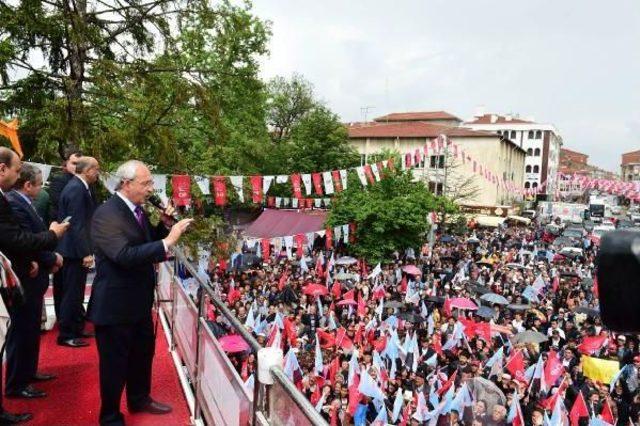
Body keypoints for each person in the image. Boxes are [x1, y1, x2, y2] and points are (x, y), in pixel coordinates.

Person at [87, 160, 193, 426]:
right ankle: (110, 416)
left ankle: (139, 398)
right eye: (145, 183)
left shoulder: (138, 211)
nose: (150, 189)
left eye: (150, 183)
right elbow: (123, 255)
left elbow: (146, 243)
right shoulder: (106, 214)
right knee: (114, 365)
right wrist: (168, 242)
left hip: (139, 301)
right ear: (126, 183)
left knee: (142, 354)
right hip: (115, 306)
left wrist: (165, 225)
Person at [0, 147, 69, 424]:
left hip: (20, 270)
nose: (18, 176)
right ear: (2, 168)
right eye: (17, 170)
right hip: (14, 278)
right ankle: (15, 385)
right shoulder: (8, 201)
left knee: (25, 331)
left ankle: (22, 379)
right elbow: (16, 239)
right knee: (17, 333)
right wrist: (52, 236)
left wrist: (25, 259)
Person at [56, 157, 100, 347]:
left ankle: (76, 327)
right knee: (72, 294)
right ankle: (66, 334)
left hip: (75, 249)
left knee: (77, 292)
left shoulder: (82, 187)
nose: (98, 173)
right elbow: (77, 224)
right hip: (73, 250)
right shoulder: (76, 189)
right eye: (96, 169)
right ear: (88, 170)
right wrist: (85, 252)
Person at [48, 147, 81, 318]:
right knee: (64, 283)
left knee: (74, 284)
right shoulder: (60, 181)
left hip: (76, 239)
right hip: (62, 237)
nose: (76, 167)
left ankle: (72, 315)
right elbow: (65, 210)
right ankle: (64, 317)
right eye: (74, 163)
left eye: (80, 164)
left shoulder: (85, 183)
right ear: (66, 164)